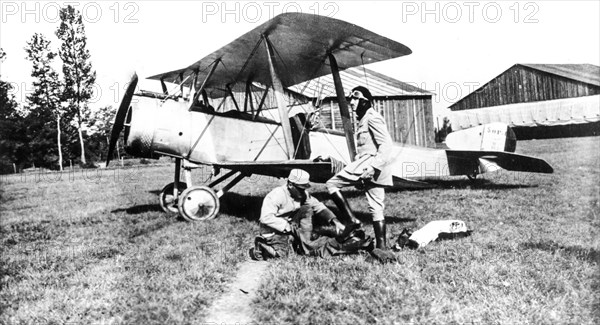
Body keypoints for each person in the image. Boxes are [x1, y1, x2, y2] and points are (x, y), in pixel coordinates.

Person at [326, 86, 395, 250]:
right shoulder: (364, 118)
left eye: (355, 99)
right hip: (373, 165)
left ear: (364, 101)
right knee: (376, 208)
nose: (351, 103)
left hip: (371, 164)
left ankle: (351, 220)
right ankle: (381, 248)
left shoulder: (372, 117)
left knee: (331, 184)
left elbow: (386, 145)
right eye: (351, 99)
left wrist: (372, 167)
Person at [251, 169, 372, 259]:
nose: (303, 191)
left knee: (307, 208)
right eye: (300, 188)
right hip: (273, 231)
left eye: (304, 188)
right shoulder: (276, 195)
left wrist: (336, 222)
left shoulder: (302, 194)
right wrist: (288, 227)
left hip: (290, 227)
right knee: (283, 255)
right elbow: (265, 218)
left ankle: (305, 242)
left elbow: (318, 206)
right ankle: (261, 245)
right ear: (290, 184)